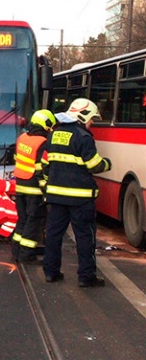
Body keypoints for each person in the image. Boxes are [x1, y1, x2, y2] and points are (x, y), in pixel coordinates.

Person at [42, 98, 112, 287]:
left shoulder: (54, 135)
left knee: (54, 235)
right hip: (80, 199)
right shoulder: (83, 136)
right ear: (83, 116)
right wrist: (108, 163)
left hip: (56, 196)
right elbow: (94, 165)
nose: (93, 123)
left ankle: (51, 272)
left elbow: (46, 165)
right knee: (84, 237)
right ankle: (86, 277)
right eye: (92, 119)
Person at [11, 109, 56, 263]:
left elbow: (16, 158)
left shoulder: (22, 138)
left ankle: (16, 251)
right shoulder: (42, 142)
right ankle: (27, 255)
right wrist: (46, 190)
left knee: (22, 220)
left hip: (20, 185)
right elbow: (40, 169)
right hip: (34, 189)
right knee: (34, 221)